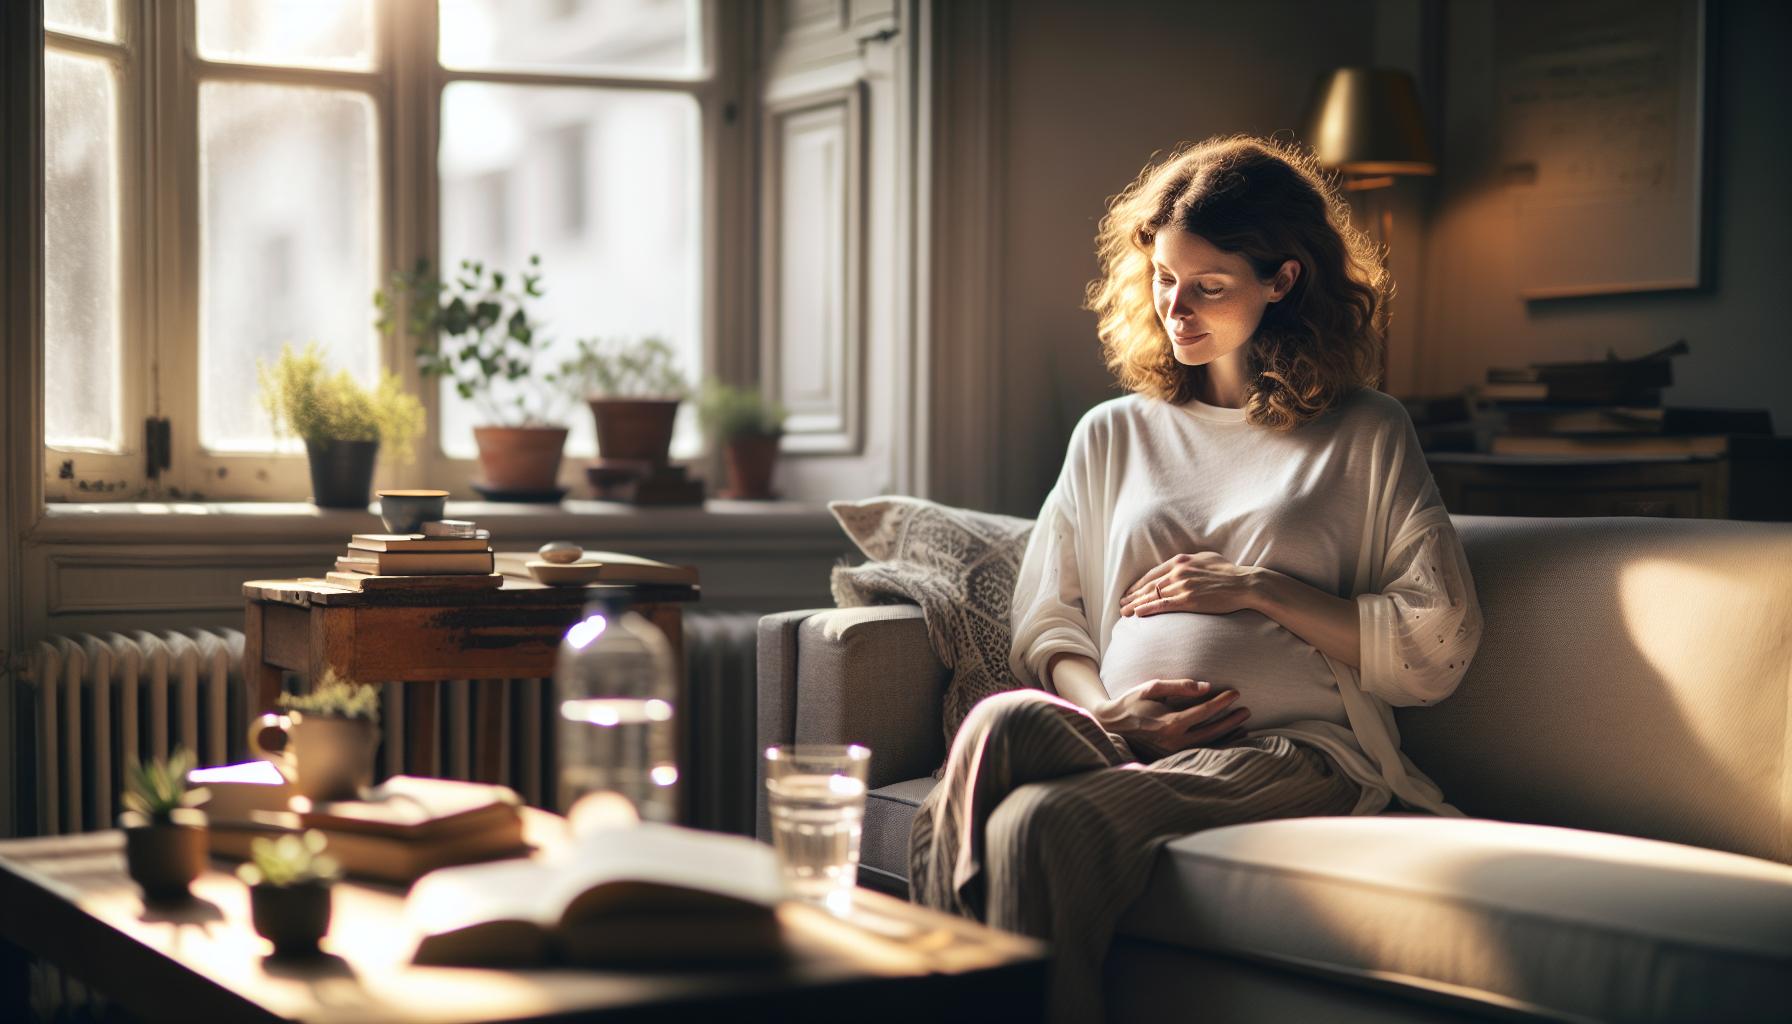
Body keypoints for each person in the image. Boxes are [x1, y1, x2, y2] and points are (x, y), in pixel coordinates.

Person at [907, 136, 1484, 1022]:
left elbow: (1436, 637)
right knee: (1001, 719)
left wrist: (1258, 588)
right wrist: (1107, 711)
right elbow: (1047, 617)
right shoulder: (1113, 433)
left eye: (1210, 285)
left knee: (1038, 825)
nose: (1178, 307)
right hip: (1124, 731)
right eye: (1166, 279)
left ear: (1282, 281)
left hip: (1292, 751)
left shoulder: (1364, 432)